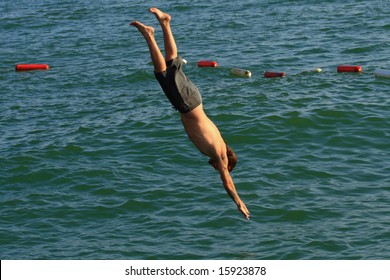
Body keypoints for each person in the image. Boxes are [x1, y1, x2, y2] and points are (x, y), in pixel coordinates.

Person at [130, 7, 250, 219]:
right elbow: (228, 182)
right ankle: (149, 35)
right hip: (186, 104)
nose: (216, 169)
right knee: (161, 73)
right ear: (227, 165)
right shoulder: (220, 156)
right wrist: (238, 201)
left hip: (194, 99)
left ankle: (166, 23)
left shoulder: (221, 143)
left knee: (172, 64)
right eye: (220, 169)